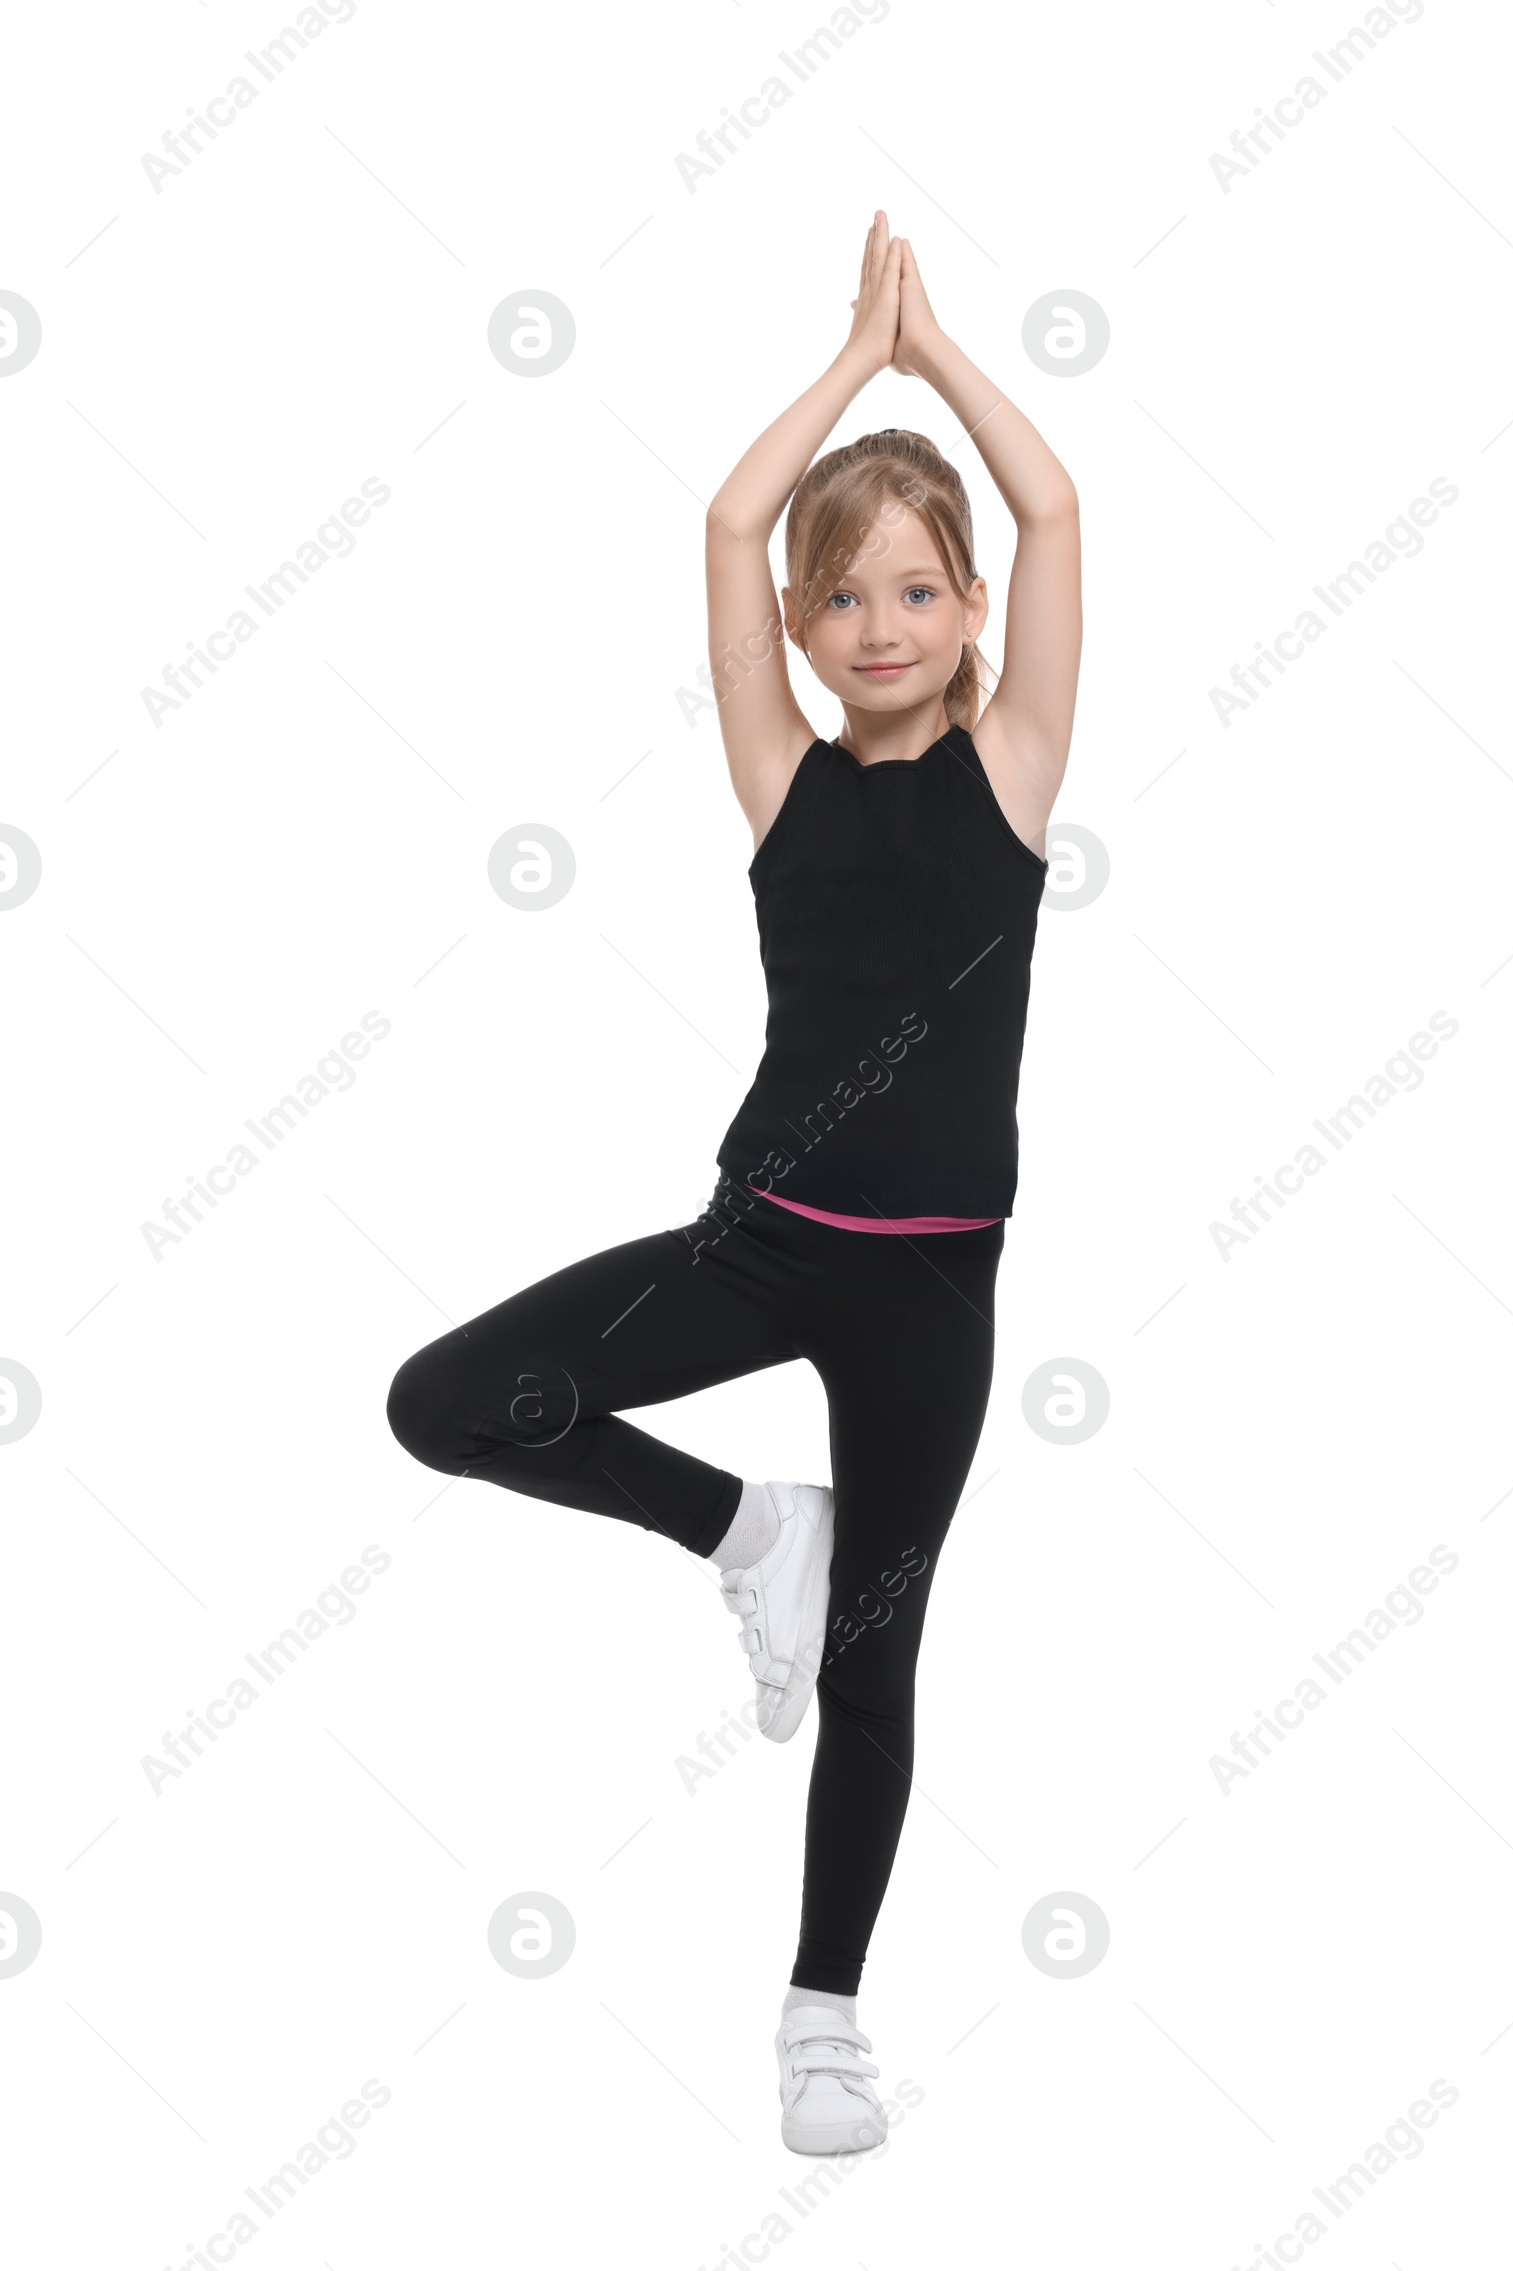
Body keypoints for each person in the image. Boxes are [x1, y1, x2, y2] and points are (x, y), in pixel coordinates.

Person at [387, 211, 1082, 2154]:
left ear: (967, 613)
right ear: (799, 629)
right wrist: (837, 366)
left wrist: (927, 352)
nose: (878, 624)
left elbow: (1055, 502)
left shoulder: (1014, 768)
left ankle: (823, 2007)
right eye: (841, 597)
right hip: (760, 1242)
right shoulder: (782, 771)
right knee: (449, 1401)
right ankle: (739, 1531)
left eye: (916, 592)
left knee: (878, 1655)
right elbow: (717, 528)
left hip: (931, 1285)